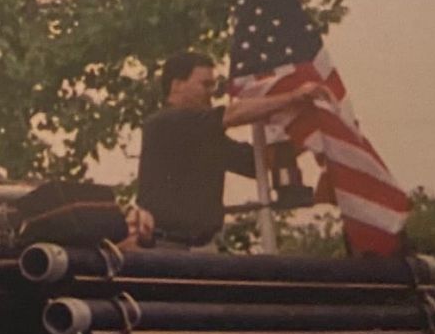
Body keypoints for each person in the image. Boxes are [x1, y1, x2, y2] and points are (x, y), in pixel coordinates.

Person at [136, 51, 320, 249]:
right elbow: (233, 113)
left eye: (213, 85)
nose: (211, 92)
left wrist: (312, 137)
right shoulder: (165, 123)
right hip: (163, 246)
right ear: (177, 85)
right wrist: (293, 97)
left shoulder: (205, 136)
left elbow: (257, 162)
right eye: (205, 84)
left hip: (202, 248)